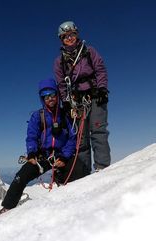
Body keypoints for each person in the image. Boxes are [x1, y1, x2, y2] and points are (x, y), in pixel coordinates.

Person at [0, 78, 85, 212]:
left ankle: (71, 200)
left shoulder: (65, 115)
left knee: (80, 170)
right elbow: (31, 137)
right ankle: (7, 207)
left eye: (52, 95)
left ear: (57, 95)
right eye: (45, 96)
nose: (49, 99)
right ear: (42, 99)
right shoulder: (37, 116)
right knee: (20, 177)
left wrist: (64, 157)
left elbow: (72, 138)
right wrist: (32, 153)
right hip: (43, 156)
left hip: (61, 155)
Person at [53, 21, 111, 175]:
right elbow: (61, 84)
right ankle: (83, 173)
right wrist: (66, 101)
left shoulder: (89, 51)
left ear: (76, 34)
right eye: (65, 36)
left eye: (72, 34)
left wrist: (102, 89)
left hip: (95, 95)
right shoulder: (60, 62)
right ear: (61, 40)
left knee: (98, 131)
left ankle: (102, 168)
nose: (69, 38)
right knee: (81, 138)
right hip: (76, 101)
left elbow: (100, 70)